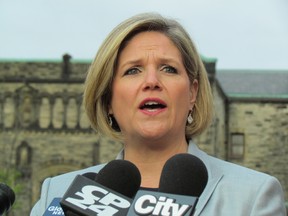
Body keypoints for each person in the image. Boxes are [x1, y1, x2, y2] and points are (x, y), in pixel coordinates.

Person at [30, 12, 286, 215]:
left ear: (192, 93)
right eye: (133, 71)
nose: (151, 81)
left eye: (168, 69)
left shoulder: (253, 196)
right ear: (107, 99)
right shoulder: (59, 193)